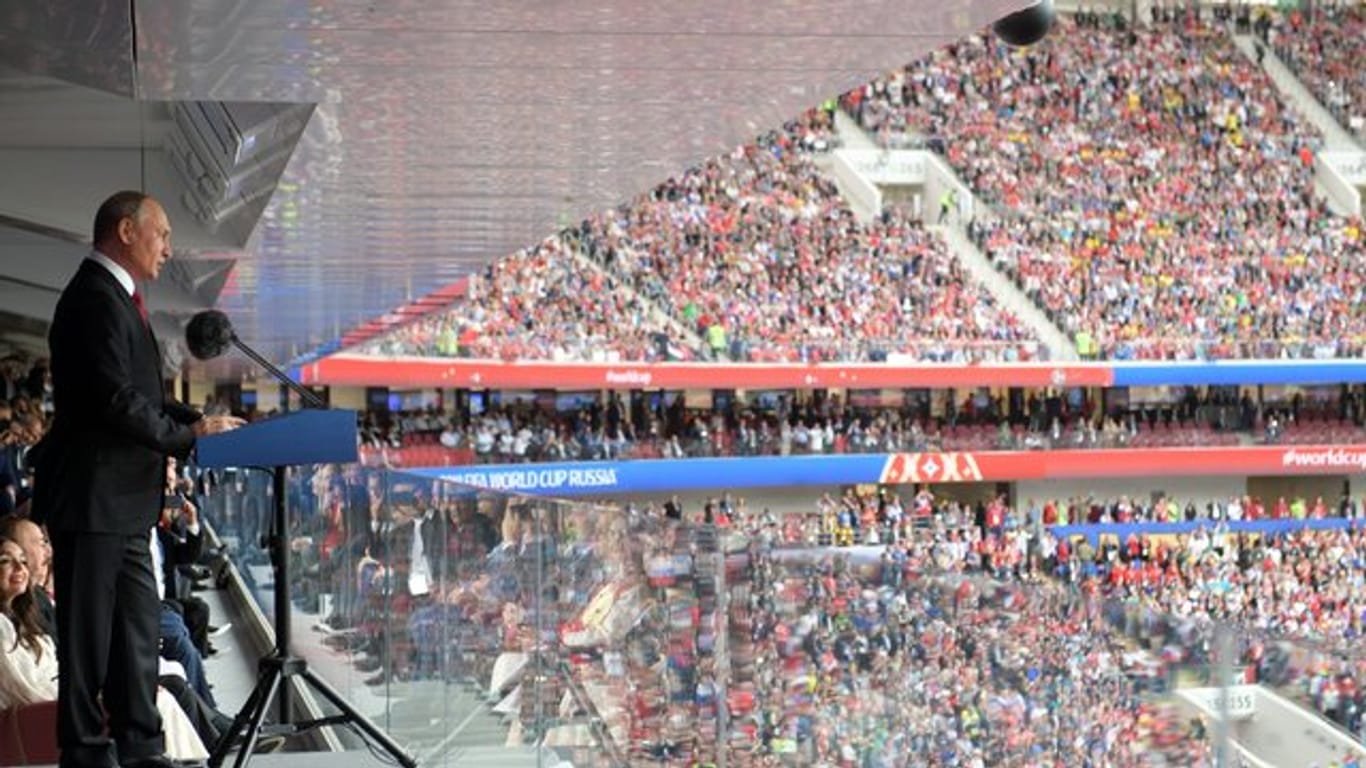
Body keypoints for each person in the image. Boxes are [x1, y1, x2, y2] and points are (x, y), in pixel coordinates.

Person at [30, 191, 242, 768]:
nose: (169, 248)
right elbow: (114, 402)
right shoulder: (93, 299)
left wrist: (196, 420)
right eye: (163, 234)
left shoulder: (122, 299)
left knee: (137, 633)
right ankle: (85, 752)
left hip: (126, 502)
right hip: (95, 499)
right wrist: (191, 438)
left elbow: (142, 398)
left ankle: (144, 747)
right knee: (88, 640)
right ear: (127, 230)